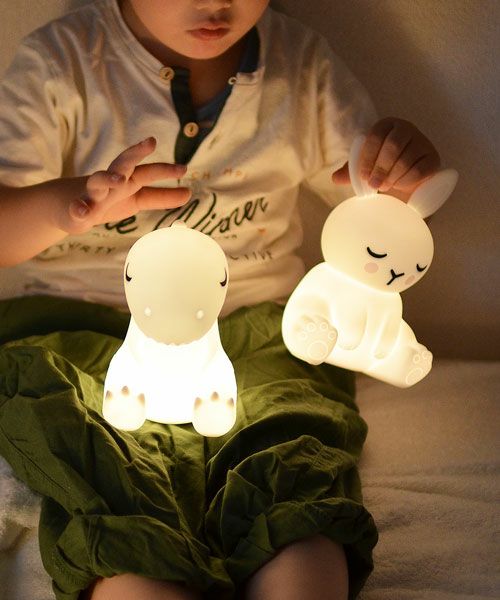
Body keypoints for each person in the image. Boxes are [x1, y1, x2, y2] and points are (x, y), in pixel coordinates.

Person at [0, 1, 441, 599]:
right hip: (78, 326)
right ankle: (134, 566)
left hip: (260, 328)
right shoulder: (63, 64)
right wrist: (70, 205)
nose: (215, 3)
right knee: (99, 457)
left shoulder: (301, 67)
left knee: (292, 456)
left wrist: (400, 180)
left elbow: (373, 204)